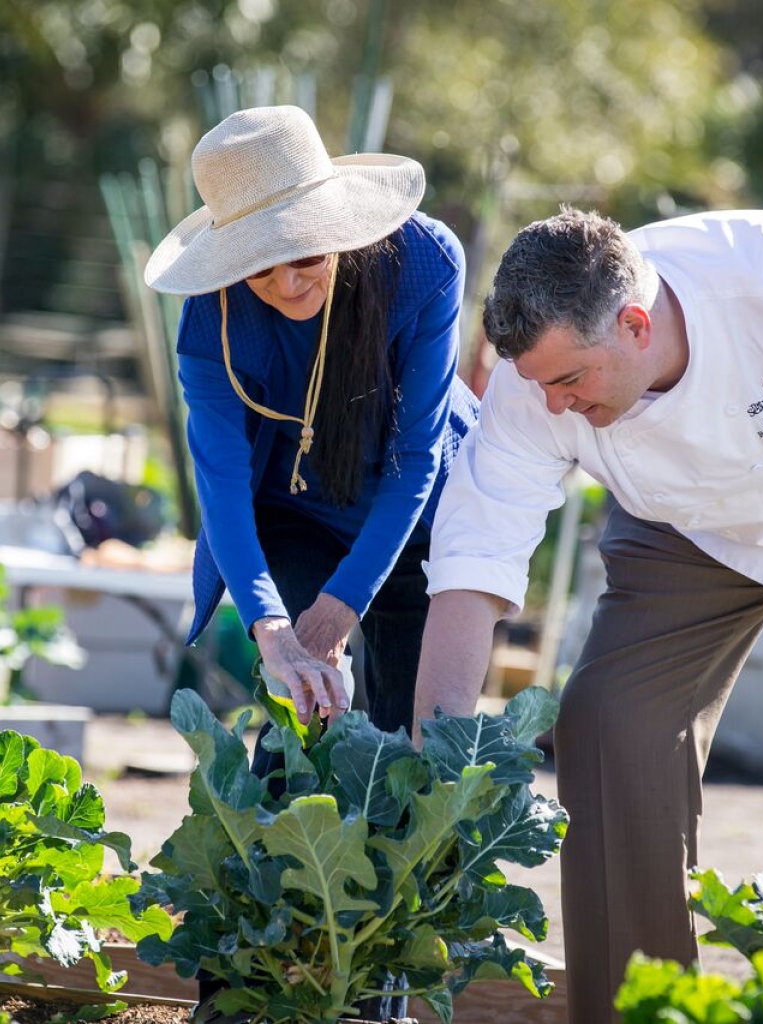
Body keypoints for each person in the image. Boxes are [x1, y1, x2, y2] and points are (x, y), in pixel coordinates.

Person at [144, 104, 478, 1023]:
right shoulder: (210, 327)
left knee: (415, 752)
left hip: (412, 522)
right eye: (263, 256)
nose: (293, 273)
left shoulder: (423, 263)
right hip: (286, 510)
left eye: (309, 244)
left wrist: (342, 607)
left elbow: (416, 461)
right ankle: (248, 993)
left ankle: (382, 1001)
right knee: (300, 725)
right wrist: (276, 624)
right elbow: (220, 484)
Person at [413, 205, 763, 1023]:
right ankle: (642, 1010)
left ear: (636, 325)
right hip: (686, 531)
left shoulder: (750, 276)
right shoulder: (532, 388)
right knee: (607, 720)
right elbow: (475, 561)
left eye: (571, 381)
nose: (557, 405)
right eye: (541, 385)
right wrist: (431, 777)